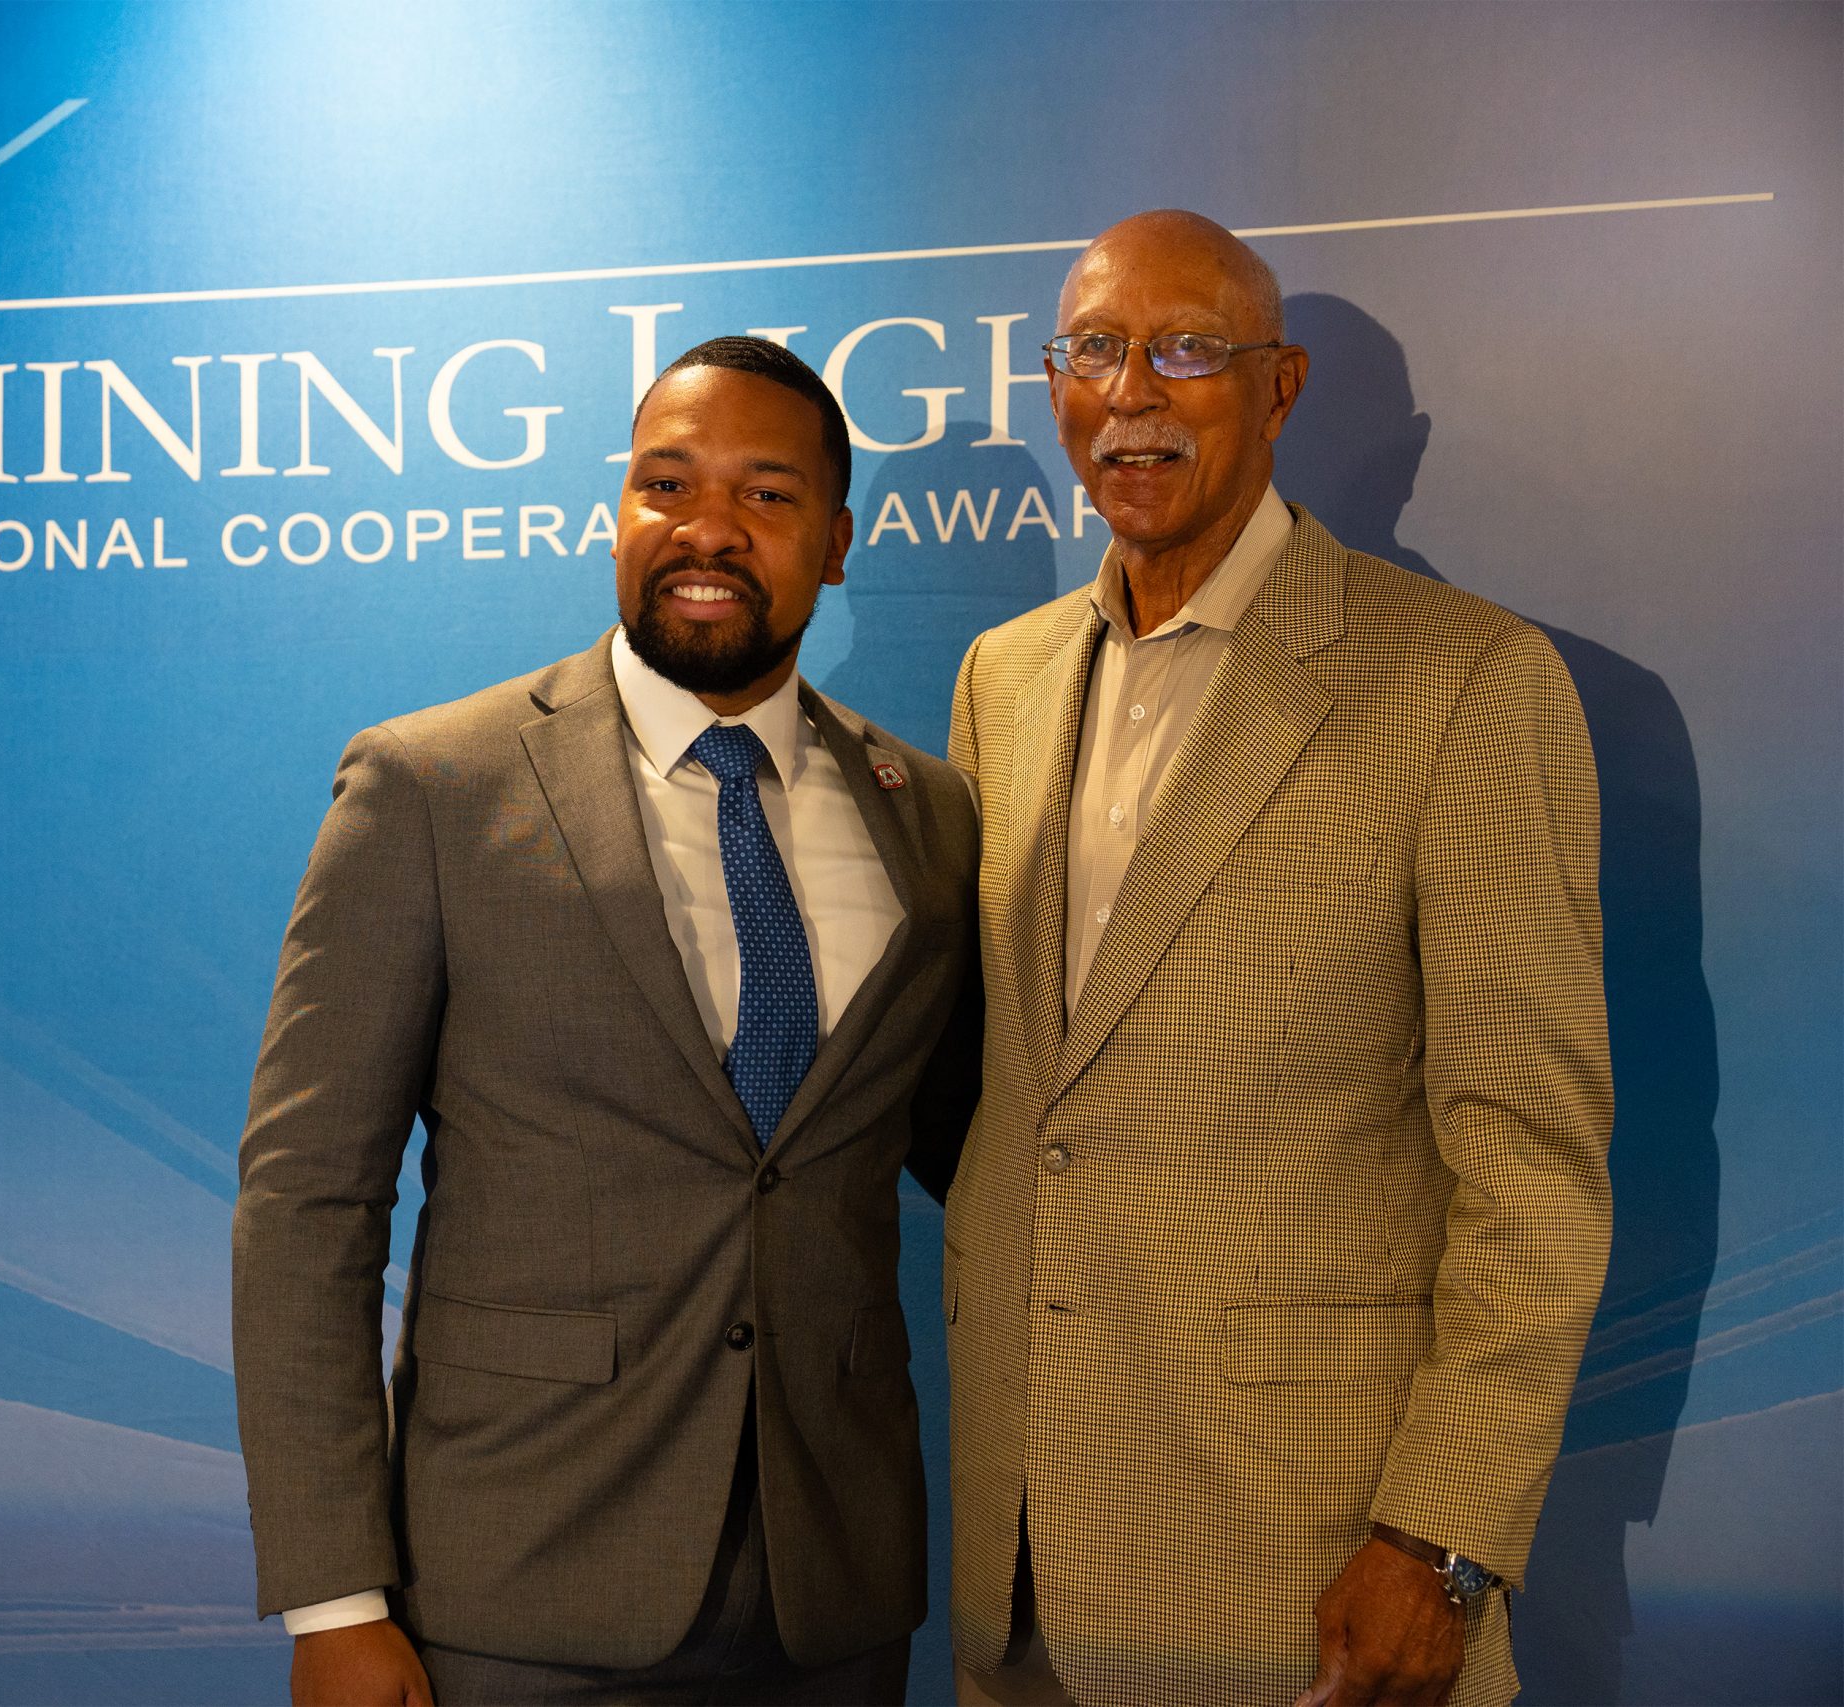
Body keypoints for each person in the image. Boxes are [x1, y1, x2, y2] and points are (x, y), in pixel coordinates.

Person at [233, 336, 982, 1705]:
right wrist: (333, 1600)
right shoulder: (435, 786)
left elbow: (974, 1149)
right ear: (618, 514)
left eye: (766, 496)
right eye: (666, 485)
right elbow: (304, 1204)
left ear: (837, 542)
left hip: (838, 1601)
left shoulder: (924, 811)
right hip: (518, 1593)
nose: (707, 529)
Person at [942, 211, 1611, 1707]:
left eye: (1187, 350)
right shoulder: (1005, 677)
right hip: (1023, 1571)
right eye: (1095, 352)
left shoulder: (1466, 683)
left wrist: (1442, 1540)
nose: (1132, 394)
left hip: (1305, 1568)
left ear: (1281, 385)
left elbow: (1535, 1171)